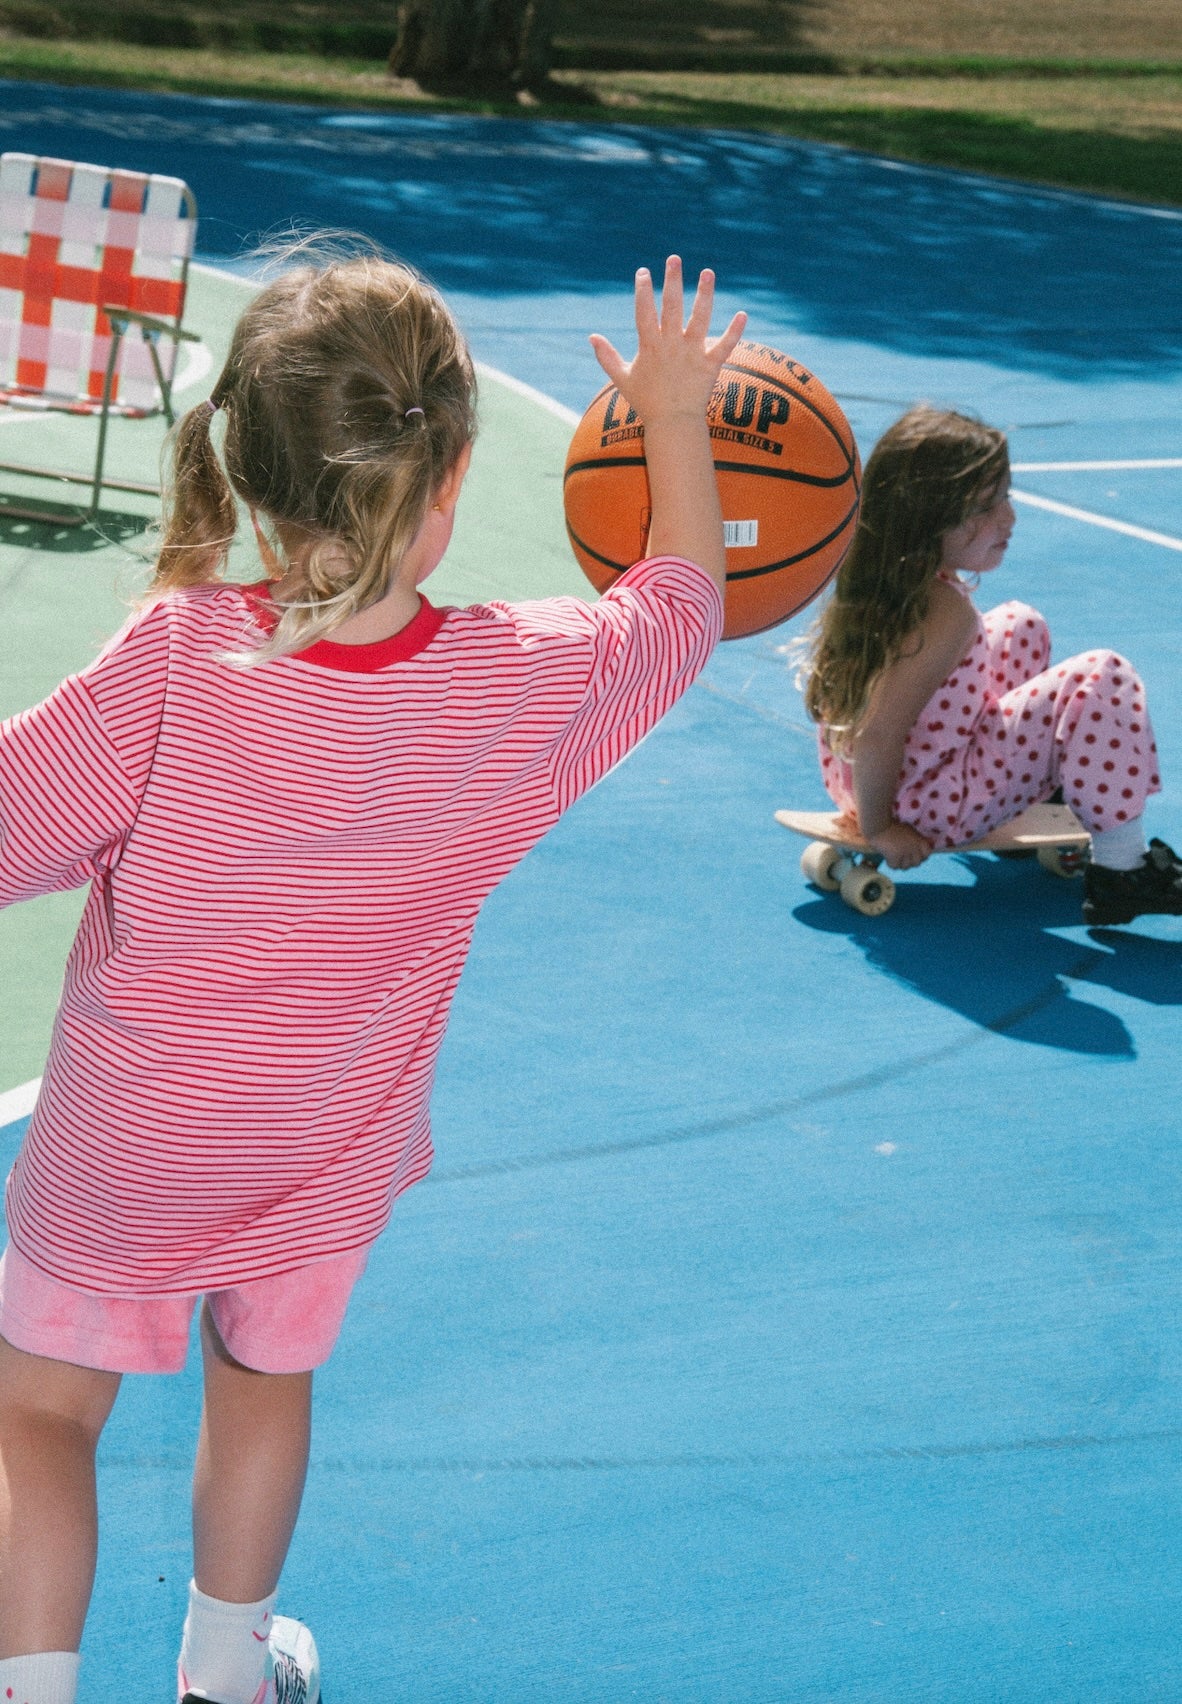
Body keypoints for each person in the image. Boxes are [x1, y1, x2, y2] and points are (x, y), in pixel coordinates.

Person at [0, 249, 746, 1704]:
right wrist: (669, 419)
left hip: (128, 1146)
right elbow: (685, 608)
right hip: (319, 1149)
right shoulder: (514, 683)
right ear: (453, 467)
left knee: (38, 1415)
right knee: (267, 1381)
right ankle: (225, 1671)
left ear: (248, 461)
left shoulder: (175, 662)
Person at [801, 403, 1181, 925]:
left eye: (1005, 495)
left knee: (1020, 624)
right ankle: (1122, 869)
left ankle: (1040, 789)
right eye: (987, 505)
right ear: (927, 519)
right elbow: (879, 732)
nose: (1009, 517)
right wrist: (883, 828)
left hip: (875, 780)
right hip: (925, 801)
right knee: (1102, 675)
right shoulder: (944, 614)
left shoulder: (887, 582)